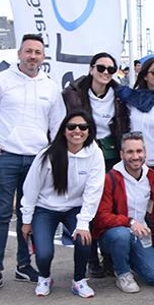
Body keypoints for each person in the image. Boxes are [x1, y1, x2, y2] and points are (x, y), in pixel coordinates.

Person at [0, 34, 66, 294]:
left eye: (38, 52)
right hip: (6, 157)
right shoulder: (1, 81)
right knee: (2, 214)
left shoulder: (50, 86)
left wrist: (50, 153)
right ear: (19, 53)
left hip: (37, 160)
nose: (33, 57)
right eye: (28, 51)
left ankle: (23, 265)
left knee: (28, 215)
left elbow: (57, 124)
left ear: (44, 57)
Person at [20, 110, 105, 298]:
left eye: (83, 127)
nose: (77, 131)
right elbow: (31, 189)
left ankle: (79, 280)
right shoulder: (47, 154)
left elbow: (94, 191)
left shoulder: (95, 154)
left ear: (89, 131)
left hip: (74, 208)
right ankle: (45, 277)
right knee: (44, 253)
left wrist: (83, 224)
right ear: (64, 131)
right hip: (45, 208)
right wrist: (27, 220)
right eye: (71, 127)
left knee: (84, 240)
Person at [63, 52, 130, 278]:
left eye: (111, 70)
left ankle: (110, 256)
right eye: (101, 68)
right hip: (87, 151)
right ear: (91, 69)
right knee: (87, 204)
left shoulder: (119, 95)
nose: (105, 73)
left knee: (112, 205)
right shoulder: (74, 93)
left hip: (112, 153)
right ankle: (91, 258)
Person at [93, 134, 154, 293]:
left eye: (139, 151)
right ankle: (122, 273)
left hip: (141, 235)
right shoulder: (110, 178)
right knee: (121, 235)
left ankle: (126, 257)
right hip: (116, 232)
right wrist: (129, 222)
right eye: (130, 152)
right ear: (121, 154)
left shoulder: (151, 176)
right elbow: (101, 216)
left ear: (145, 153)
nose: (135, 156)